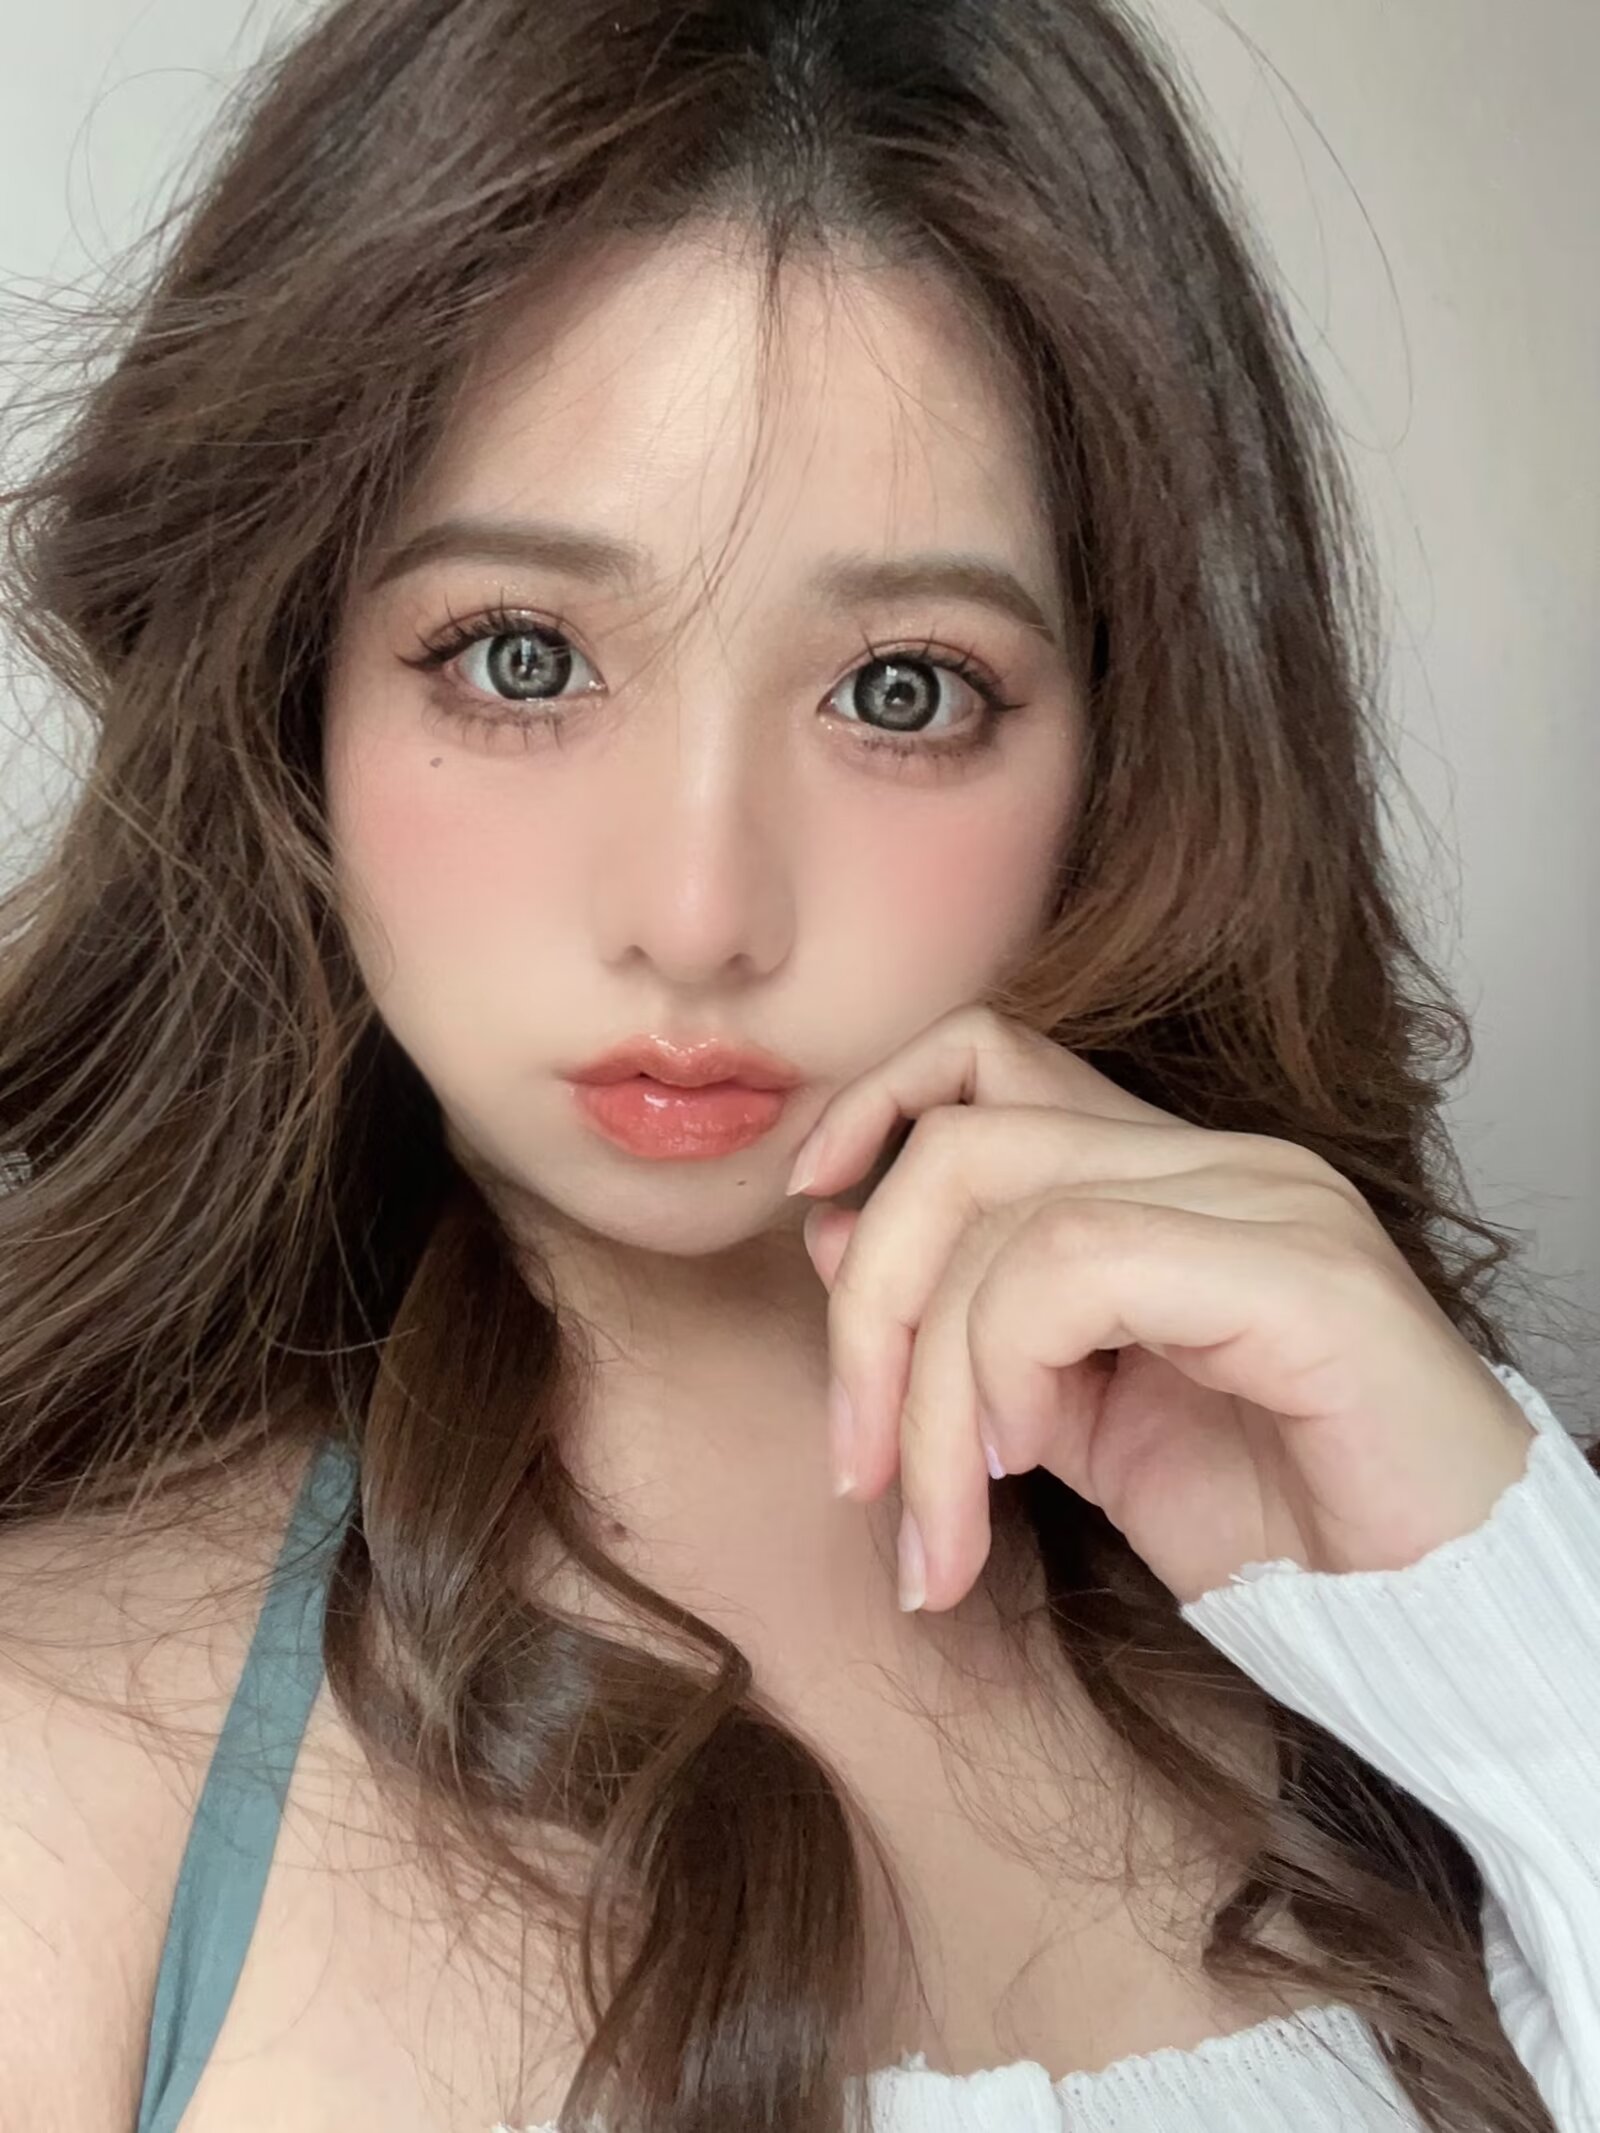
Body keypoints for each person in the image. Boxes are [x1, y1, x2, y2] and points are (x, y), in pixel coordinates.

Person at [0, 1, 1593, 2130]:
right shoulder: (60, 1760)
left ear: (1124, 757)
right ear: (296, 693)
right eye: (520, 655)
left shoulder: (1415, 1631)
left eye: (900, 688)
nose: (696, 908)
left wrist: (1504, 1625)